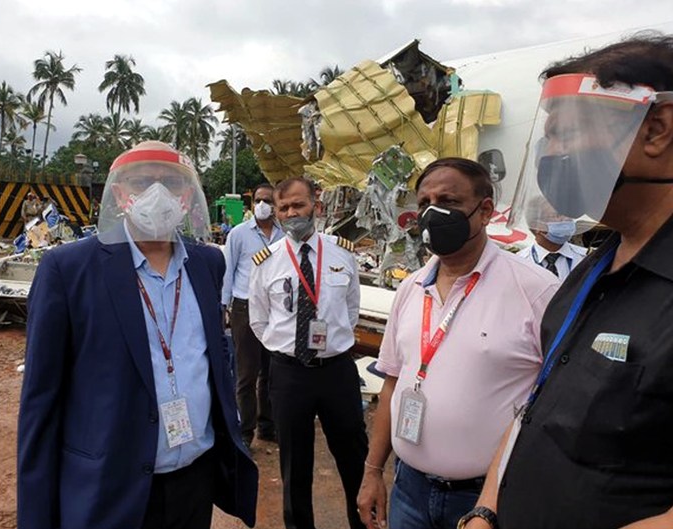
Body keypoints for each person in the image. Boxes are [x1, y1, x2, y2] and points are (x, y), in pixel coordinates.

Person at [460, 34, 673, 529]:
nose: (547, 154)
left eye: (566, 132)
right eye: (546, 136)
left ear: (657, 129)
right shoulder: (593, 268)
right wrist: (485, 509)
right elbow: (534, 411)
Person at [17, 141, 258, 529]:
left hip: (194, 481)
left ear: (187, 197)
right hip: (111, 485)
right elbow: (41, 402)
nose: (158, 193)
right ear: (118, 192)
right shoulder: (68, 269)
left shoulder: (207, 263)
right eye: (144, 181)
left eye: (172, 183)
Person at [357, 158, 558, 529]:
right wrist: (373, 472)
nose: (432, 213)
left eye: (447, 201)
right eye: (424, 203)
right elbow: (391, 385)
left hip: (487, 501)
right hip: (409, 490)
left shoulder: (536, 291)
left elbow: (558, 402)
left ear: (484, 211)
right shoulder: (410, 288)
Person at [249, 176, 368, 529]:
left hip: (336, 372)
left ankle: (361, 522)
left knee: (353, 457)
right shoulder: (265, 260)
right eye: (283, 207)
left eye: (298, 205)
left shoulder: (342, 252)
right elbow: (259, 320)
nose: (291, 213)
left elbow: (350, 310)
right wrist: (286, 350)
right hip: (288, 374)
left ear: (315, 205)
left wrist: (329, 344)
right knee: (294, 464)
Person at [222, 182, 284, 448]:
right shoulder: (238, 234)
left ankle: (267, 425)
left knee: (272, 372)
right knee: (247, 374)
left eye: (268, 200)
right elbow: (228, 270)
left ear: (276, 205)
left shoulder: (284, 235)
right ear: (251, 204)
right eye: (258, 199)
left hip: (276, 309)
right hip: (244, 308)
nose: (262, 204)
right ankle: (245, 432)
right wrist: (224, 307)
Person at [515, 197, 587, 281]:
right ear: (537, 226)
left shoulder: (586, 258)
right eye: (557, 215)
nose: (566, 219)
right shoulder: (519, 262)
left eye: (568, 215)